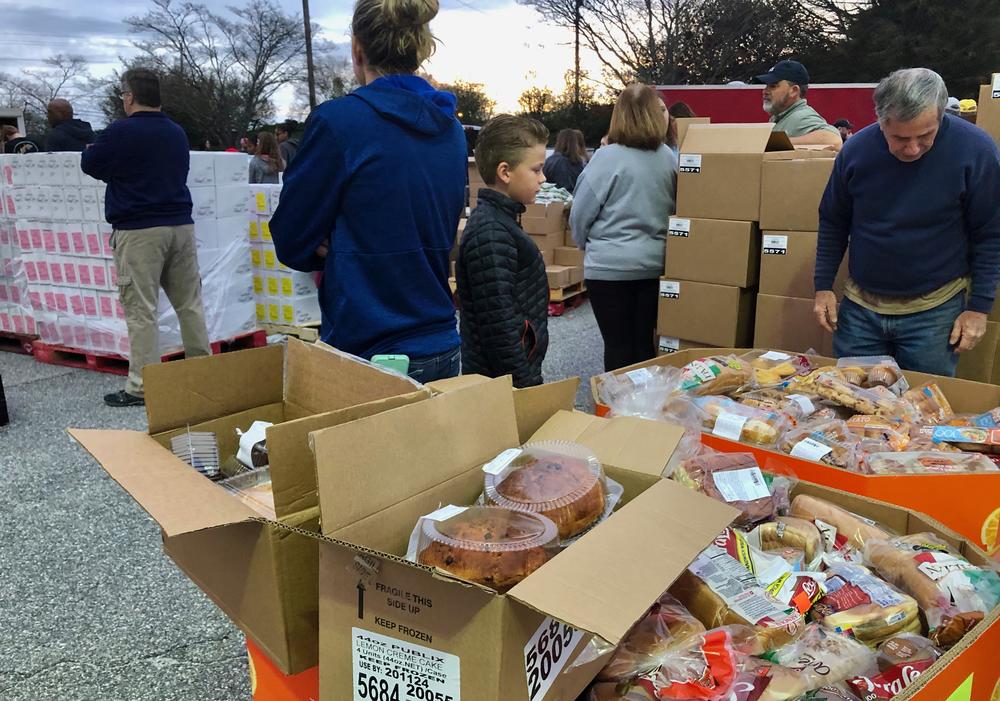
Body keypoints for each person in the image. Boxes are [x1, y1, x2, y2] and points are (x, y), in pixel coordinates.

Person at [270, 0, 466, 383]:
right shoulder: (450, 128)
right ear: (420, 45)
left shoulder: (340, 122)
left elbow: (291, 239)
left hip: (369, 349)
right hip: (440, 340)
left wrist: (338, 241)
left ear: (357, 49)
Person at [814, 68, 1000, 377]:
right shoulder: (856, 151)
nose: (912, 149)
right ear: (881, 121)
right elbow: (834, 220)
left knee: (923, 410)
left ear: (941, 116)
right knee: (853, 404)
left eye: (925, 136)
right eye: (899, 138)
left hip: (934, 312)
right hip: (861, 309)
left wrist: (978, 308)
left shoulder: (976, 151)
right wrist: (822, 287)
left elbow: (991, 233)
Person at [81, 68, 212, 407]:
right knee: (190, 304)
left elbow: (91, 164)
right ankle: (205, 372)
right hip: (180, 225)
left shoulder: (119, 132)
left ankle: (142, 386)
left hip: (139, 230)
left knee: (141, 310)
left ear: (128, 96)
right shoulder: (176, 132)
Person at [570, 83, 678, 371]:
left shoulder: (606, 158)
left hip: (608, 267)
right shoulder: (669, 158)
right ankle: (643, 409)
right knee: (643, 343)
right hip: (655, 265)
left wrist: (584, 244)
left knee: (617, 345)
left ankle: (616, 409)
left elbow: (580, 213)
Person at [456, 115, 550, 387]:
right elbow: (499, 328)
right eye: (536, 170)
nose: (543, 178)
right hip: (502, 384)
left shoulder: (502, 222)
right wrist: (526, 386)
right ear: (505, 172)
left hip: (509, 377)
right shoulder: (491, 233)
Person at [756, 60, 842, 148]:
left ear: (794, 91)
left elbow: (834, 140)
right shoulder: (784, 116)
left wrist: (776, 144)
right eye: (766, 86)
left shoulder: (801, 116)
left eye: (773, 86)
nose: (765, 91)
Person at [542, 128, 587, 193]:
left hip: (551, 199)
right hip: (573, 199)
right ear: (574, 143)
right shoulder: (577, 163)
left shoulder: (549, 161)